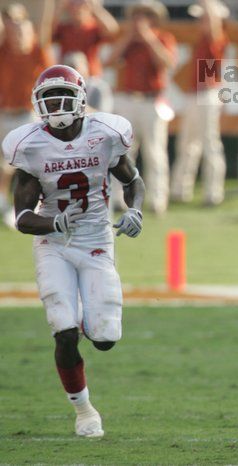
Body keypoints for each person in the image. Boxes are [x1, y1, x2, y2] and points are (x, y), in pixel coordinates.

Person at [1, 65, 145, 438]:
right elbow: (23, 218)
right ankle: (84, 411)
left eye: (62, 96)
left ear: (81, 100)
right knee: (63, 331)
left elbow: (133, 181)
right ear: (38, 103)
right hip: (54, 246)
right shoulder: (29, 144)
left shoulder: (106, 134)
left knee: (105, 338)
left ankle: (86, 316)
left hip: (96, 240)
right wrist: (53, 224)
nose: (56, 104)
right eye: (48, 98)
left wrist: (135, 209)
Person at [106, 0, 176, 215]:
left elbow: (166, 62)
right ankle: (119, 199)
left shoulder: (163, 38)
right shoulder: (127, 41)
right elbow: (110, 60)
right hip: (128, 99)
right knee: (123, 152)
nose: (139, 21)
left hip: (151, 100)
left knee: (155, 153)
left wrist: (148, 38)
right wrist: (129, 37)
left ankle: (158, 200)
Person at [0, 2, 54, 227]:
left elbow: (45, 24)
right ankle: (4, 204)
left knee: (16, 164)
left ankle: (18, 208)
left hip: (26, 117)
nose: (18, 34)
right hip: (3, 114)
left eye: (22, 30)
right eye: (13, 29)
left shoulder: (37, 52)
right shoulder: (3, 52)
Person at [170, 0, 229, 206]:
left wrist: (207, 5)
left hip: (208, 94)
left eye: (204, 18)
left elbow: (213, 25)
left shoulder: (217, 37)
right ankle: (180, 191)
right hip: (196, 95)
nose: (201, 22)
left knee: (209, 144)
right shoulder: (202, 39)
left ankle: (213, 193)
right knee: (187, 145)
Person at [52, 0, 119, 78]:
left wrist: (95, 8)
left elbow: (112, 31)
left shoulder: (93, 27)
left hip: (91, 76)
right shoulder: (64, 28)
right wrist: (61, 7)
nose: (77, 8)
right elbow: (47, 33)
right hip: (67, 76)